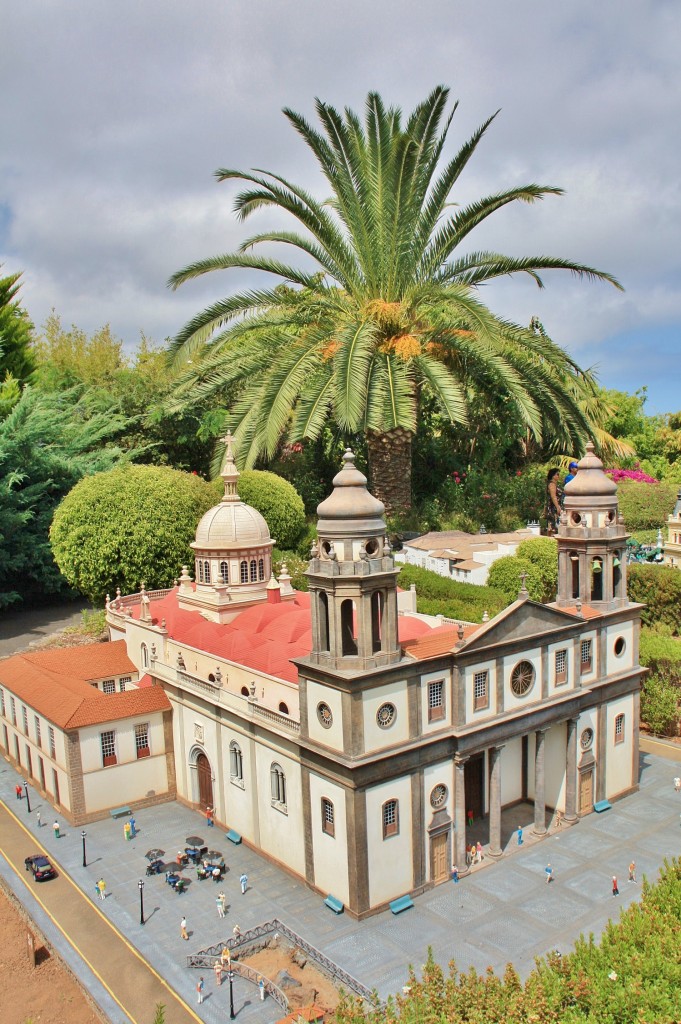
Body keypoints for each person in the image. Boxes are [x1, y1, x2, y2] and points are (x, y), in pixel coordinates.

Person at [544, 468, 563, 535]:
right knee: (552, 526)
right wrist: (557, 507)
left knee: (554, 525)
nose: (558, 476)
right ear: (553, 475)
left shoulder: (554, 484)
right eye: (557, 474)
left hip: (554, 506)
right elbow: (553, 496)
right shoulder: (552, 484)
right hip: (553, 507)